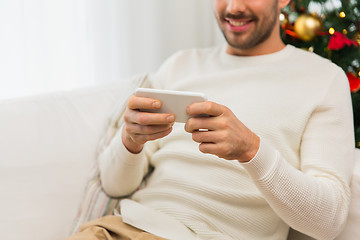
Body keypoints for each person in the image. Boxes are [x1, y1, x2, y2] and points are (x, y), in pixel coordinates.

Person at [66, 0, 355, 239]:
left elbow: (328, 222)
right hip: (120, 230)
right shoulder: (180, 64)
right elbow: (116, 187)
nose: (233, 7)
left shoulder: (322, 79)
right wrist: (130, 141)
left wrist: (252, 150)